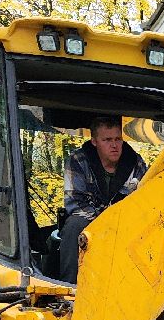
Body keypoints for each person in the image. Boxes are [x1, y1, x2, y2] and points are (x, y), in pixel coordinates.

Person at [60, 116, 148, 282]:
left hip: (125, 222)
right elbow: (75, 203)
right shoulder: (78, 161)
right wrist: (105, 223)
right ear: (94, 142)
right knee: (73, 225)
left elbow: (145, 199)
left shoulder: (135, 163)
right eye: (107, 140)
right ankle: (69, 285)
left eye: (117, 139)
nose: (114, 145)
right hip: (90, 221)